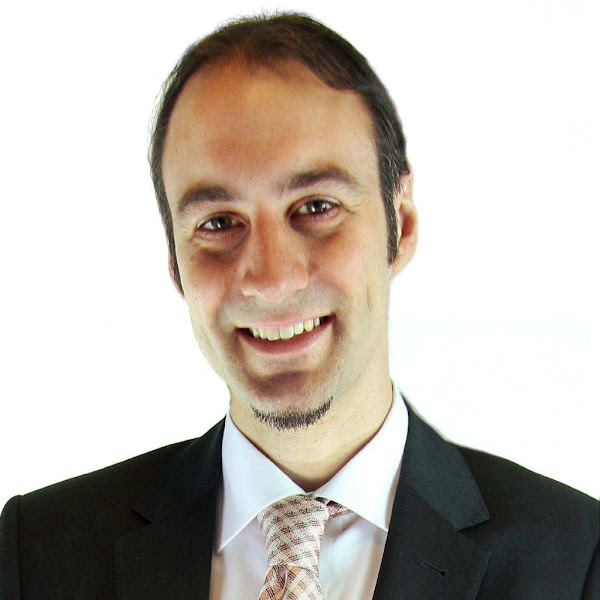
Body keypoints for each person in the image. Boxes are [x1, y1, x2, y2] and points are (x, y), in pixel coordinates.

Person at [0, 12, 598, 600]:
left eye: (315, 208)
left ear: (402, 222)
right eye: (219, 222)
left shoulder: (576, 562)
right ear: (175, 259)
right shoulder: (37, 556)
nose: (271, 279)